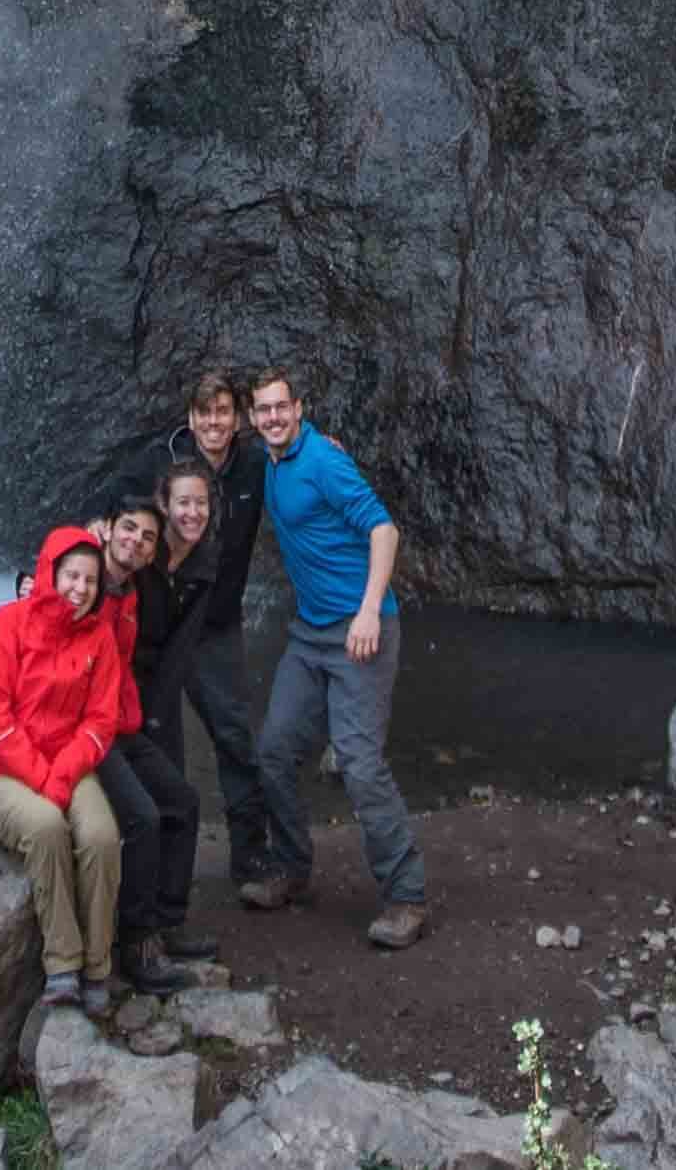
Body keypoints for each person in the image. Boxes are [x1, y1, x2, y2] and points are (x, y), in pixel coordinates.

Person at [79, 366, 300, 917]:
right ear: (191, 418)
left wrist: (316, 444)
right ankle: (150, 869)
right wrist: (91, 535)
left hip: (216, 626)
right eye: (205, 413)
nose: (214, 423)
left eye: (224, 412)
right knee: (158, 743)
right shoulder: (162, 459)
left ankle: (250, 858)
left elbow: (293, 460)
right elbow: (114, 504)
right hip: (158, 630)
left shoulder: (254, 460)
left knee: (233, 737)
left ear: (239, 417)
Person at [242, 365, 428, 946]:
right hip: (309, 634)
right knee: (273, 752)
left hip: (360, 632)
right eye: (263, 410)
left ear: (298, 408)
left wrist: (370, 609)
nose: (273, 417)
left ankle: (406, 896)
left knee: (359, 762)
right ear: (254, 418)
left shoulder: (322, 459)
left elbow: (383, 530)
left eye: (281, 407)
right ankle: (294, 871)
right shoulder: (271, 463)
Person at [0, 521, 140, 1010]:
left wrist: (60, 775)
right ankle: (62, 964)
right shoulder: (4, 625)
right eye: (70, 576)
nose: (80, 589)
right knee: (45, 826)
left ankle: (97, 968)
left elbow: (100, 720)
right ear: (49, 572)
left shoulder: (98, 638)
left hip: (67, 763)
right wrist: (46, 782)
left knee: (102, 836)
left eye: (89, 580)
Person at [92, 465, 233, 991]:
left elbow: (180, 647)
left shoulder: (197, 563)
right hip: (101, 717)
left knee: (183, 802)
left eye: (202, 503)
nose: (192, 513)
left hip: (140, 700)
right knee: (145, 816)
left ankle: (167, 922)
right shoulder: (115, 576)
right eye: (182, 503)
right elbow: (64, 574)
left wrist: (153, 713)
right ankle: (136, 941)